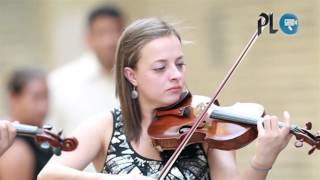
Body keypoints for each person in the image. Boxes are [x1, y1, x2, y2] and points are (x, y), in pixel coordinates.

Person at [38, 18, 292, 180]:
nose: (175, 76)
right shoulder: (105, 127)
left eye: (179, 64)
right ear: (131, 75)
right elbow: (48, 175)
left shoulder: (205, 120)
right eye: (160, 68)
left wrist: (262, 161)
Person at [48, 5, 124, 135]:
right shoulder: (60, 81)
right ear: (88, 39)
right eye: (102, 33)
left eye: (116, 32)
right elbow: (51, 130)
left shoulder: (141, 76)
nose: (110, 41)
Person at [0, 68, 53, 180]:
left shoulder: (37, 137)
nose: (43, 106)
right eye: (36, 97)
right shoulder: (15, 148)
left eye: (46, 96)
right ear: (13, 98)